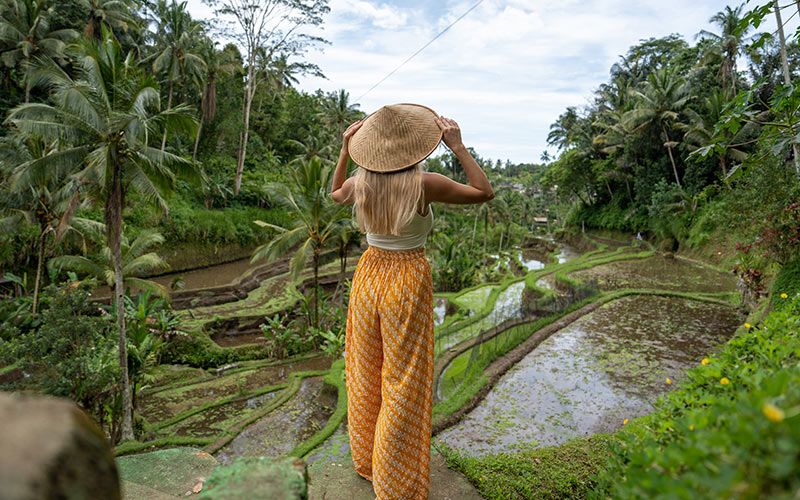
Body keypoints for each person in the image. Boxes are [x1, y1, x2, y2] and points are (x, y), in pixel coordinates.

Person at [330, 103, 494, 499]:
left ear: (372, 148)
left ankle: (368, 462)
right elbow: (483, 192)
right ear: (413, 146)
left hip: (369, 277)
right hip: (406, 280)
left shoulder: (360, 183)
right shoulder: (425, 184)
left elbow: (335, 194)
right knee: (403, 381)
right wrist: (458, 146)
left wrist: (344, 150)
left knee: (365, 371)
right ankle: (394, 481)